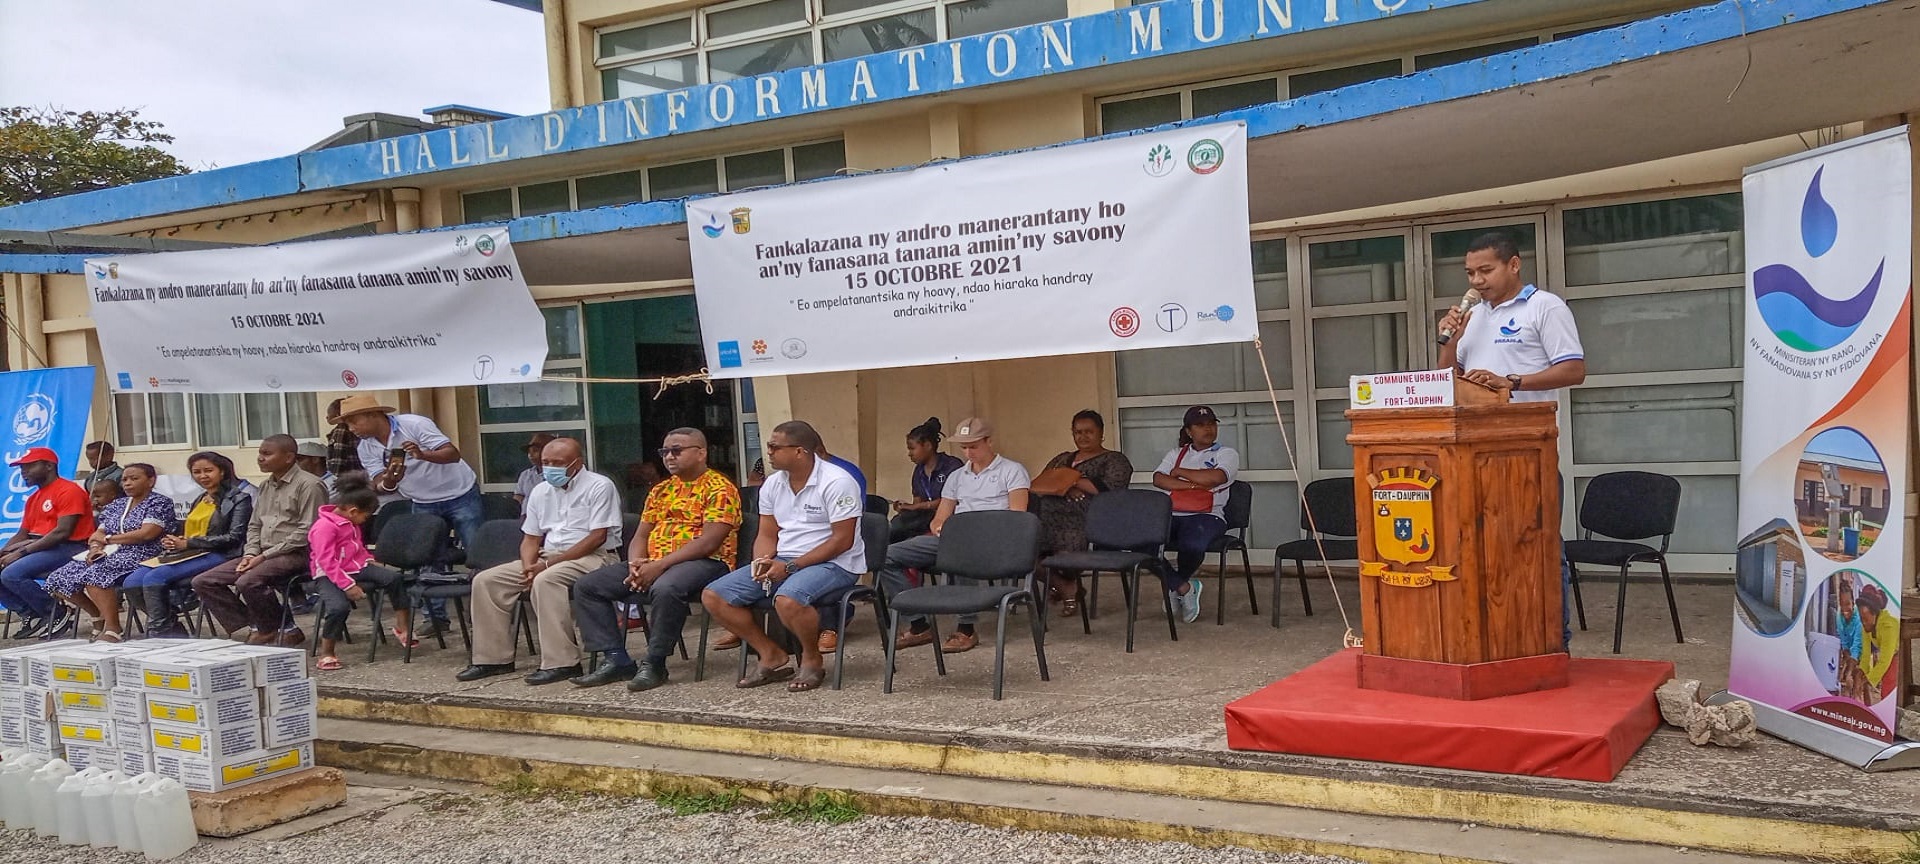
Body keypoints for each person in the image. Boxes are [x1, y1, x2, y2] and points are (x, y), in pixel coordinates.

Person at [1437, 230, 1585, 646]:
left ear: (1513, 265)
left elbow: (1574, 369)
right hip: (1475, 453)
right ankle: (1498, 640)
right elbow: (1450, 379)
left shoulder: (1544, 306)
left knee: (1538, 549)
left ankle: (1555, 643)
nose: (1476, 281)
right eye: (1470, 272)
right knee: (1484, 550)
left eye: (1486, 270)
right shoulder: (1475, 316)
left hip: (1527, 451)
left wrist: (1512, 381)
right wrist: (1451, 337)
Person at [570, 428, 741, 691]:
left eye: (677, 450)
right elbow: (641, 535)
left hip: (706, 561)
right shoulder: (661, 490)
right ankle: (616, 659)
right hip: (655, 562)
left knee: (666, 587)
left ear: (701, 453)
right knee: (588, 586)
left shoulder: (719, 488)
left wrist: (659, 565)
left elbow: (709, 542)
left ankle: (655, 662)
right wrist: (637, 563)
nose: (669, 457)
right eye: (665, 451)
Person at [702, 420, 864, 693]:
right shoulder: (773, 484)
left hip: (836, 562)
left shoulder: (838, 482)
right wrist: (761, 562)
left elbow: (842, 540)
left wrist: (789, 566)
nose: (769, 452)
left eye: (775, 447)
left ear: (800, 451)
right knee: (714, 595)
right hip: (786, 559)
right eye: (769, 446)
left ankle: (812, 658)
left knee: (788, 600)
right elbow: (767, 533)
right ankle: (770, 653)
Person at [455, 436, 623, 684]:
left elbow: (597, 537)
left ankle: (562, 663)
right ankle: (492, 659)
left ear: (577, 463)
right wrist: (527, 567)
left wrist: (546, 566)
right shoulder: (540, 491)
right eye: (546, 462)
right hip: (548, 556)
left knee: (546, 580)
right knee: (486, 581)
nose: (550, 468)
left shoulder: (599, 485)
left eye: (558, 462)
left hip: (594, 557)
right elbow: (531, 539)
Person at [878, 416, 1030, 654]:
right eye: (964, 447)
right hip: (954, 538)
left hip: (995, 541)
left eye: (974, 446)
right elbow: (941, 516)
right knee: (885, 556)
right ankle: (919, 624)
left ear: (989, 441)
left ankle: (966, 628)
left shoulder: (1012, 471)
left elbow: (1017, 517)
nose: (968, 453)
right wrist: (941, 528)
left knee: (960, 551)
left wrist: (965, 535)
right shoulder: (957, 476)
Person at [338, 393, 476, 636]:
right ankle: (435, 618)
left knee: (476, 553)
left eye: (354, 421)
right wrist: (391, 479)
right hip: (422, 499)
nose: (351, 429)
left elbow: (452, 454)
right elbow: (380, 483)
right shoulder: (366, 446)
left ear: (373, 415)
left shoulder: (414, 424)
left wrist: (423, 455)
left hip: (459, 493)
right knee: (427, 559)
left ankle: (481, 611)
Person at [192, 435, 326, 645]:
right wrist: (251, 553)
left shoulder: (309, 485)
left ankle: (270, 627)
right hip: (262, 552)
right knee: (203, 581)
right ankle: (264, 624)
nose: (260, 458)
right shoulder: (265, 486)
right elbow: (254, 525)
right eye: (260, 453)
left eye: (267, 454)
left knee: (248, 580)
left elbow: (308, 530)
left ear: (289, 457)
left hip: (298, 553)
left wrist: (263, 556)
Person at [125, 451, 252, 638]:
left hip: (221, 553)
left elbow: (235, 536)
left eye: (208, 471)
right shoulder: (200, 498)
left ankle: (161, 634)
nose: (203, 476)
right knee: (132, 582)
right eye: (197, 472)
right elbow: (190, 530)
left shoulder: (239, 498)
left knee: (154, 578)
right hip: (190, 551)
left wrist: (188, 543)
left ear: (222, 472)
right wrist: (174, 541)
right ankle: (171, 626)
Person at [43, 464, 174, 642]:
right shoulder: (118, 504)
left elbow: (147, 533)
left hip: (144, 552)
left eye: (134, 479)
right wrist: (95, 548)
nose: (127, 483)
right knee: (58, 578)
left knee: (95, 572)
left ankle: (113, 628)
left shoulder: (158, 502)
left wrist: (108, 540)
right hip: (108, 551)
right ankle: (98, 615)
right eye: (125, 479)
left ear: (151, 480)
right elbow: (98, 533)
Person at [1034, 410, 1135, 617]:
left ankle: (1066, 585)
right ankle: (1066, 586)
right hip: (1047, 520)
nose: (1083, 436)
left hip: (1088, 522)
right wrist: (1069, 486)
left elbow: (1109, 490)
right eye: (1078, 432)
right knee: (1024, 555)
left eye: (1089, 431)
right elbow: (1040, 484)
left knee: (1067, 557)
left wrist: (1066, 480)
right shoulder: (1062, 458)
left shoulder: (1115, 460)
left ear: (1101, 433)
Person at [309, 472, 413, 672]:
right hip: (330, 574)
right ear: (353, 511)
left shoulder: (352, 523)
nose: (365, 521)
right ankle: (327, 652)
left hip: (356, 568)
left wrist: (368, 559)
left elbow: (357, 548)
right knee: (339, 607)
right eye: (366, 516)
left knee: (394, 579)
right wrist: (348, 586)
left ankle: (403, 627)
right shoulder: (324, 527)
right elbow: (327, 561)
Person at [1152, 406, 1239, 625]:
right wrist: (1195, 486)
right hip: (1173, 514)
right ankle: (1182, 586)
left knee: (1192, 544)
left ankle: (1175, 586)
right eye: (1200, 425)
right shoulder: (1176, 454)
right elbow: (1159, 479)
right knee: (1142, 543)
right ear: (1189, 431)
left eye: (1211, 423)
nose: (1207, 429)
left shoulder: (1226, 454)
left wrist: (1181, 474)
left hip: (1209, 516)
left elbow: (1216, 477)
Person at [0, 447, 97, 638]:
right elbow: (23, 533)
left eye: (29, 466)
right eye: (21, 468)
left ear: (49, 466)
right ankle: (30, 614)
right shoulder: (34, 498)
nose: (23, 472)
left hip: (71, 548)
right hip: (40, 547)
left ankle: (55, 612)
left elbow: (62, 532)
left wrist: (20, 553)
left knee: (12, 573)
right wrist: (3, 552)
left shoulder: (68, 490)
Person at [889, 417, 963, 544]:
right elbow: (918, 502)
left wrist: (915, 507)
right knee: (895, 526)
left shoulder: (952, 465)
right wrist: (906, 508)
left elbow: (952, 500)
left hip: (949, 521)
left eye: (912, 448)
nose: (909, 454)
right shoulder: (919, 471)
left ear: (928, 446)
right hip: (925, 521)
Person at [1855, 584, 1899, 704]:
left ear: (1874, 614)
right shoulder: (1866, 627)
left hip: (1896, 655)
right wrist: (1861, 672)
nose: (1863, 623)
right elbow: (1865, 656)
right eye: (1861, 618)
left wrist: (1868, 680)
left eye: (1865, 618)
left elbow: (1885, 660)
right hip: (1887, 657)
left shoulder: (1888, 626)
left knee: (1887, 692)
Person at [323, 398, 366, 478]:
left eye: (329, 413)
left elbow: (338, 461)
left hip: (348, 479)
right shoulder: (356, 429)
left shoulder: (341, 430)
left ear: (337, 415)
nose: (326, 417)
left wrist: (335, 481)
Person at [513, 432, 557, 508]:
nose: (530, 455)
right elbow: (518, 496)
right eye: (529, 452)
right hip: (527, 516)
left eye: (535, 451)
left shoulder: (557, 473)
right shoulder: (526, 474)